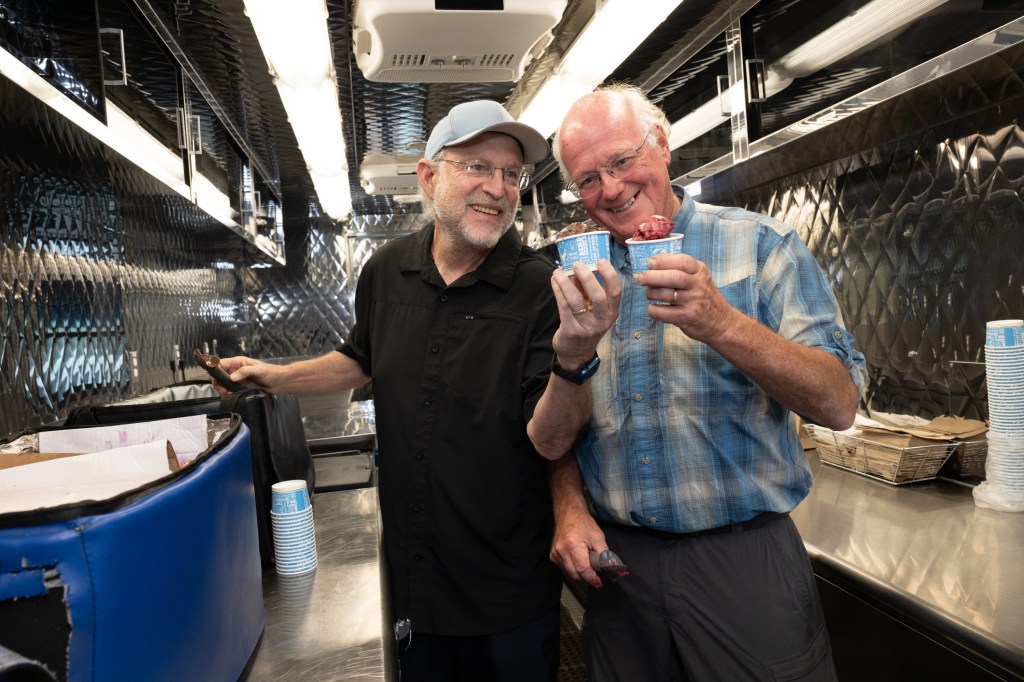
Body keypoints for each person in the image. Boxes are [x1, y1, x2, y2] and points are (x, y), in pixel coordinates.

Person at [213, 100, 619, 682]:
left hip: (506, 588)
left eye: (511, 174)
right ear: (429, 177)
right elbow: (361, 359)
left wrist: (574, 357)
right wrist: (276, 376)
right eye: (477, 166)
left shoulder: (538, 287)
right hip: (413, 575)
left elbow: (551, 437)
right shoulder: (386, 271)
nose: (498, 188)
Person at [547, 83, 867, 681]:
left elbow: (839, 402)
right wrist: (568, 507)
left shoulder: (762, 244)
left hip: (743, 565)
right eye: (587, 179)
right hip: (621, 573)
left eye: (622, 160)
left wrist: (722, 323)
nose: (610, 189)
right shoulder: (578, 277)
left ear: (662, 145)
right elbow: (559, 425)